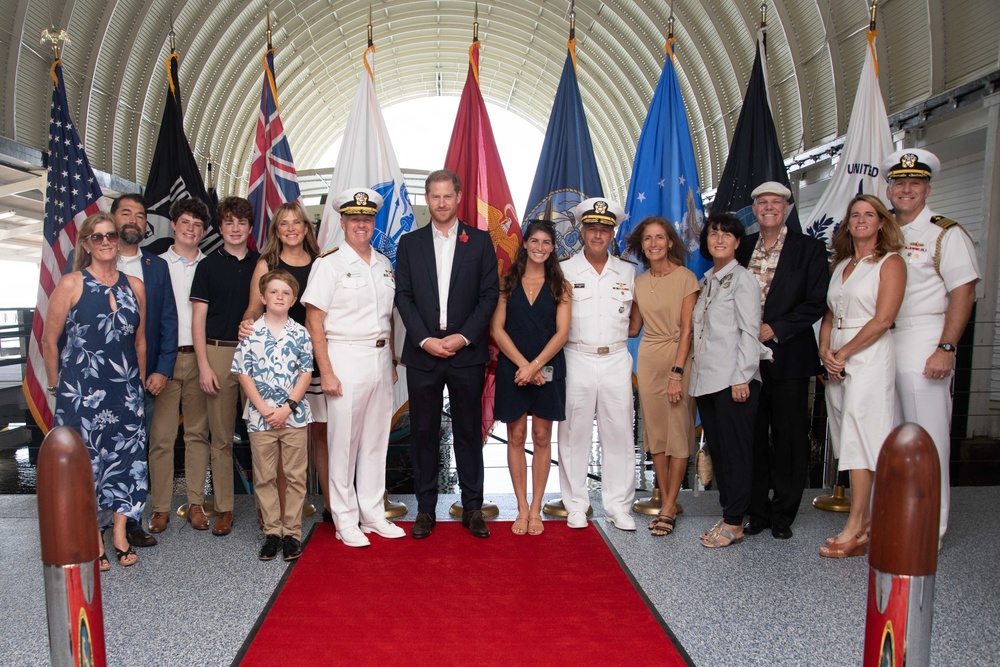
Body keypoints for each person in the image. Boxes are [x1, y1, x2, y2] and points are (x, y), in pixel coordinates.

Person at [394, 169, 500, 539]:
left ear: (458, 198)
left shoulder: (481, 242)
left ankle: (472, 508)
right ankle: (425, 509)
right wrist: (425, 340)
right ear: (427, 199)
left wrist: (463, 337)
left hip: (465, 354)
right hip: (423, 353)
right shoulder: (410, 243)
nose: (441, 203)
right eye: (434, 197)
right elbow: (403, 297)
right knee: (422, 432)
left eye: (447, 196)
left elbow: (489, 296)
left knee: (469, 432)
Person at [882, 148, 980, 543]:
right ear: (888, 188)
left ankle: (927, 531)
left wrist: (947, 347)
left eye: (915, 183)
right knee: (888, 436)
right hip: (884, 339)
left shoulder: (945, 233)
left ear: (927, 188)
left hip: (925, 337)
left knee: (926, 438)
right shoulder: (883, 230)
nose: (906, 190)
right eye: (899, 183)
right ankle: (891, 522)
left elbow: (964, 291)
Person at [42, 212, 147, 570]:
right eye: (97, 236)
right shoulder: (72, 283)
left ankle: (119, 533)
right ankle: (91, 536)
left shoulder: (135, 285)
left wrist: (140, 384)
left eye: (111, 235)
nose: (105, 241)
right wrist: (57, 387)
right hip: (81, 393)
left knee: (127, 463)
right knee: (85, 466)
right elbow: (49, 341)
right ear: (86, 244)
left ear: (119, 241)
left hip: (126, 393)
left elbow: (141, 340)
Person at [303, 189, 404, 547]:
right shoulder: (327, 263)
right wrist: (326, 371)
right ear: (343, 222)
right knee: (343, 442)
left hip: (379, 359)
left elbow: (388, 318)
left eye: (367, 218)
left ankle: (373, 513)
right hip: (344, 355)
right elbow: (314, 320)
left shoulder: (384, 263)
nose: (361, 224)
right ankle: (345, 518)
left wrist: (391, 360)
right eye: (354, 219)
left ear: (373, 222)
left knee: (377, 440)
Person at [736, 182, 830, 540]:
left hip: (789, 356)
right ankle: (756, 511)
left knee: (789, 436)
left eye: (777, 202)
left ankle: (784, 514)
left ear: (788, 208)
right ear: (755, 209)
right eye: (762, 202)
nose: (769, 207)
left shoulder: (809, 249)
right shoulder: (742, 247)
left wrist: (773, 328)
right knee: (753, 436)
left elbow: (815, 302)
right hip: (746, 361)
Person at [819, 194, 906, 558]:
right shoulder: (841, 265)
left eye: (869, 214)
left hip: (868, 353)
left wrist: (844, 352)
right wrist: (825, 351)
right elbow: (827, 313)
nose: (861, 220)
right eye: (855, 214)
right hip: (836, 351)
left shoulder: (890, 263)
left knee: (862, 437)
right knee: (844, 434)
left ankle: (857, 527)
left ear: (882, 222)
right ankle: (866, 521)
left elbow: (884, 319)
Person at [239, 202, 331, 523]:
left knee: (321, 434)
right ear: (276, 231)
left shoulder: (322, 263)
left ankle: (332, 506)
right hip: (277, 368)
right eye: (283, 224)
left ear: (306, 228)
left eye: (297, 223)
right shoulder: (267, 263)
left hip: (316, 360)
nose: (291, 228)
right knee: (280, 437)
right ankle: (278, 515)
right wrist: (247, 324)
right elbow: (254, 307)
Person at [557, 197, 637, 532]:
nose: (598, 234)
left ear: (612, 231)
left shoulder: (628, 270)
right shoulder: (563, 269)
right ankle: (576, 504)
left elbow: (635, 320)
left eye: (604, 228)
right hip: (576, 356)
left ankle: (618, 505)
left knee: (618, 433)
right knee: (573, 432)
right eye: (592, 228)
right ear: (582, 230)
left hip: (617, 357)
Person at [689, 213, 768, 548]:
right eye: (713, 234)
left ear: (738, 242)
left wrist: (743, 378)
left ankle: (735, 522)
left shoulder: (743, 279)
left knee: (735, 453)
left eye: (727, 234)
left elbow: (750, 332)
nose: (719, 239)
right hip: (707, 380)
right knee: (720, 452)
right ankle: (729, 512)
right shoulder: (709, 280)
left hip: (733, 380)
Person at [490, 219, 570, 536]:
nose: (540, 248)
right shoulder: (507, 282)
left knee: (540, 437)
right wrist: (524, 366)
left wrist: (535, 366)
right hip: (514, 369)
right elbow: (497, 329)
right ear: (525, 244)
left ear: (553, 248)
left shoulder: (559, 286)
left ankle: (537, 508)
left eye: (546, 243)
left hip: (547, 367)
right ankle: (521, 508)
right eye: (534, 241)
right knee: (515, 436)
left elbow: (562, 333)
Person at [189, 196, 260, 536]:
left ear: (250, 227)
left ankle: (266, 508)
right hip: (217, 354)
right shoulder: (207, 266)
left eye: (241, 223)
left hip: (255, 356)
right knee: (220, 438)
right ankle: (225, 508)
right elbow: (198, 321)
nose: (235, 228)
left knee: (261, 433)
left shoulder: (261, 264)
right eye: (229, 222)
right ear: (220, 227)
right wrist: (203, 365)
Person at [233, 269, 314, 561]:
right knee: (265, 476)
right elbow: (244, 374)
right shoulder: (251, 331)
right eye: (274, 292)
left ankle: (292, 533)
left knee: (295, 476)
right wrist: (266, 410)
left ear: (294, 299)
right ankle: (272, 532)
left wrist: (287, 407)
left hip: (293, 415)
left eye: (286, 293)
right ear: (262, 297)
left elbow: (306, 373)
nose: (279, 297)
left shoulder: (301, 333)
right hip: (260, 416)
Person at [625, 216, 699, 537]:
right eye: (647, 239)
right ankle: (667, 499)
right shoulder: (639, 283)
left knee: (679, 431)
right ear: (641, 246)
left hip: (678, 358)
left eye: (659, 237)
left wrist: (677, 372)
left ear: (670, 242)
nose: (653, 244)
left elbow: (687, 330)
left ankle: (669, 505)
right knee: (656, 433)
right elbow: (633, 327)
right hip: (649, 359)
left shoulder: (686, 278)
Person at [147, 198, 210, 535]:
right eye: (185, 222)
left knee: (198, 434)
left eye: (198, 225)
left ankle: (196, 503)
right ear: (173, 224)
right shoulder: (155, 265)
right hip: (166, 361)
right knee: (162, 438)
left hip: (201, 359)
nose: (191, 229)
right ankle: (160, 508)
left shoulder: (210, 266)